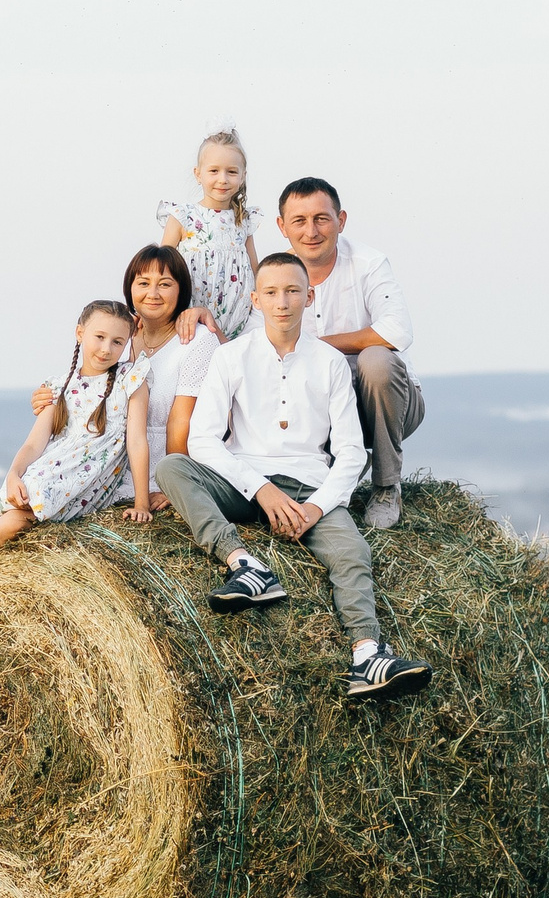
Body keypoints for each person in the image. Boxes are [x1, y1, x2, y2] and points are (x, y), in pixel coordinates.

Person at [155, 252, 432, 701]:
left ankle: (368, 656)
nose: (282, 301)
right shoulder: (231, 357)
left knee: (352, 551)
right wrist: (261, 490)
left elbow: (347, 452)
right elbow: (203, 440)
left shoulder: (332, 363)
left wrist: (316, 507)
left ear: (310, 296)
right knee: (172, 467)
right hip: (245, 481)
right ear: (256, 299)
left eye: (292, 291)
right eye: (271, 292)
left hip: (307, 484)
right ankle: (245, 566)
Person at [0, 300, 151, 570]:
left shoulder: (130, 379)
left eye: (117, 342)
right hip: (50, 474)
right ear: (79, 334)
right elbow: (33, 444)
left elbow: (136, 442)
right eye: (99, 337)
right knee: (16, 518)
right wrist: (13, 475)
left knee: (25, 506)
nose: (106, 348)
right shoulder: (57, 387)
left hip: (86, 485)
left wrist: (142, 503)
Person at [273, 175, 422, 529]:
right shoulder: (276, 273)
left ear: (340, 221)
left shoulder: (369, 263)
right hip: (323, 410)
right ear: (282, 227)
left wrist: (316, 347)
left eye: (321, 219)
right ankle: (323, 472)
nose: (311, 231)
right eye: (299, 221)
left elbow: (397, 330)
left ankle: (386, 485)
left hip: (386, 403)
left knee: (376, 359)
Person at [30, 245, 217, 509]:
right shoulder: (120, 336)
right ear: (130, 288)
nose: (152, 293)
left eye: (165, 284)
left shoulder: (196, 340)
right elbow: (88, 391)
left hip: (164, 469)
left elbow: (182, 419)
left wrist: (175, 483)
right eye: (143, 283)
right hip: (106, 471)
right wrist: (48, 399)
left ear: (181, 290)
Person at [158, 127, 259, 341]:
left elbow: (255, 269)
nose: (222, 179)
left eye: (231, 172)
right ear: (198, 174)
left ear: (243, 176)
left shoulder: (244, 220)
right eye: (214, 171)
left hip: (238, 327)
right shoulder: (183, 216)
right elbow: (159, 269)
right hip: (190, 323)